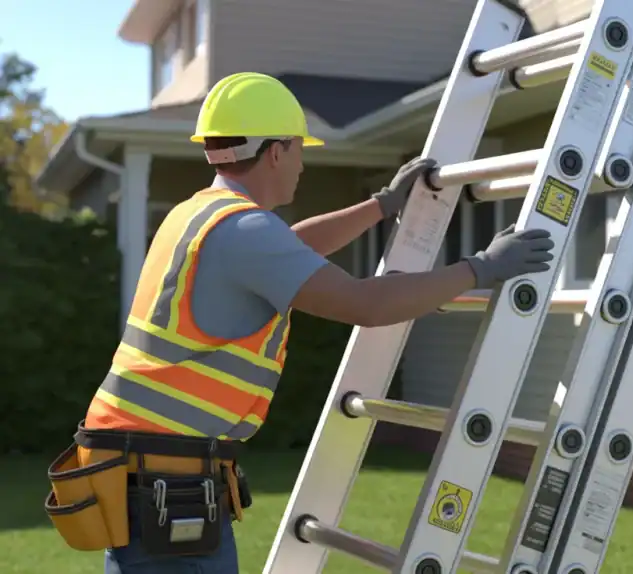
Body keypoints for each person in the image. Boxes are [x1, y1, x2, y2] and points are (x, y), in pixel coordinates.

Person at [42, 72, 554, 574]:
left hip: (140, 473)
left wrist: (380, 207)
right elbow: (365, 305)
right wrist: (481, 268)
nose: (304, 164)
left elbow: (294, 250)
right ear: (276, 151)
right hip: (165, 484)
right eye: (300, 149)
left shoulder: (203, 215)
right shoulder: (245, 230)